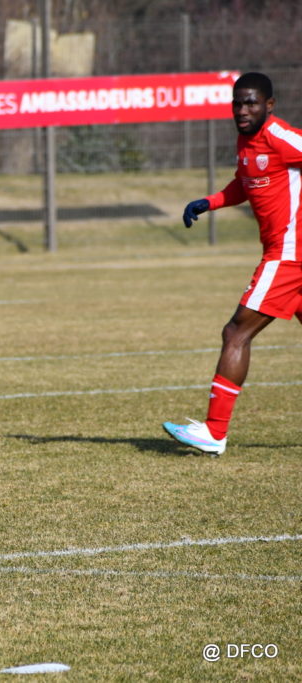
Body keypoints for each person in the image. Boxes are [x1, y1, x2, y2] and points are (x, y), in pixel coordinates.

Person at [164, 72, 302, 456]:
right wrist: (208, 202)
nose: (242, 110)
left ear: (269, 105)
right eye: (237, 103)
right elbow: (245, 182)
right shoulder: (246, 141)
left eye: (251, 103)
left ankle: (214, 431)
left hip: (288, 255)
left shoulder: (280, 137)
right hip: (289, 254)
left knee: (236, 332)